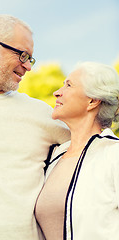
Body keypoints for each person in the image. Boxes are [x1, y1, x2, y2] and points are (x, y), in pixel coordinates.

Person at [0, 15, 70, 240]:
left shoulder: (42, 113)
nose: (28, 66)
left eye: (31, 59)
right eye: (22, 55)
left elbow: (94, 144)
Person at [35, 61, 119, 240]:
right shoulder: (53, 157)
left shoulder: (114, 154)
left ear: (93, 100)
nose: (57, 92)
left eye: (69, 85)